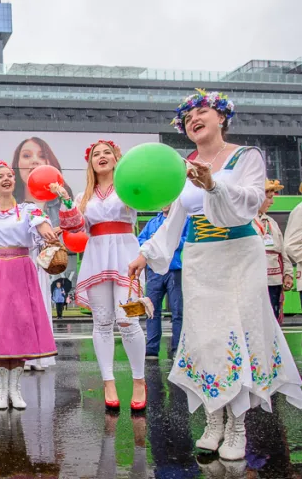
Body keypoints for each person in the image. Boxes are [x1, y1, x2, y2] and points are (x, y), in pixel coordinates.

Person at [129, 90, 302, 461]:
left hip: (239, 255)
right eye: (187, 116)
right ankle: (213, 420)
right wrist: (145, 254)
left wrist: (212, 183)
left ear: (221, 117)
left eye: (202, 110)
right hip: (199, 259)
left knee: (236, 335)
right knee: (205, 338)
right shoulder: (182, 165)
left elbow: (250, 201)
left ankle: (237, 425)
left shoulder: (245, 156)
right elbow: (174, 217)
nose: (194, 118)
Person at [57, 139, 147, 412]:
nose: (102, 156)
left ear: (116, 158)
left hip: (127, 260)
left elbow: (147, 199)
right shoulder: (86, 197)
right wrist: (64, 199)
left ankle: (139, 380)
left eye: (107, 152)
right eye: (97, 154)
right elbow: (73, 226)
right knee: (103, 321)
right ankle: (108, 381)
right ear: (91, 163)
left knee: (128, 320)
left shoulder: (128, 188)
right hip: (97, 260)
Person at [0, 161, 58, 410]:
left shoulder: (28, 210)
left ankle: (15, 390)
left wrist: (48, 231)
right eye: (0, 176)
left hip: (21, 270)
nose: (6, 179)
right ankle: (1, 390)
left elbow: (42, 225)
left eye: (10, 176)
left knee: (19, 328)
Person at [137, 205, 189, 358]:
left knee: (177, 312)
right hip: (154, 272)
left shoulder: (183, 220)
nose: (165, 203)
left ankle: (177, 349)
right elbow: (141, 240)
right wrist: (153, 244)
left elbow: (188, 240)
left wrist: (169, 242)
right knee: (152, 310)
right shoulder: (153, 222)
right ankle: (152, 348)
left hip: (175, 269)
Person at [11, 137, 74, 227]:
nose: (35, 161)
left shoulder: (63, 203)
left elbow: (76, 228)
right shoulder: (8, 204)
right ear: (17, 163)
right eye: (26, 156)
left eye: (42, 156)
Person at [254, 180, 292, 323]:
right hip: (255, 281)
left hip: (274, 281)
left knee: (273, 318)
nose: (272, 202)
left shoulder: (272, 222)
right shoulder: (246, 222)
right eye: (269, 198)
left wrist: (287, 273)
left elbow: (282, 251)